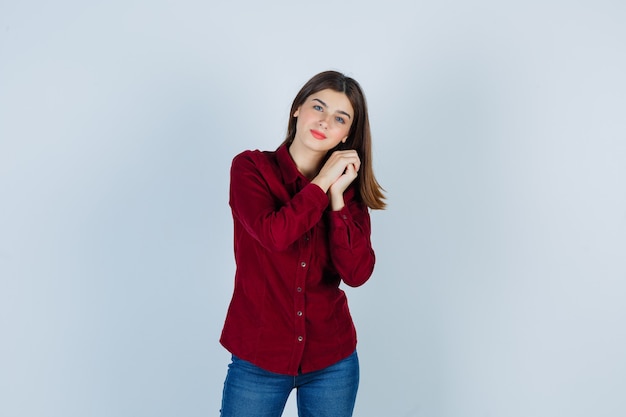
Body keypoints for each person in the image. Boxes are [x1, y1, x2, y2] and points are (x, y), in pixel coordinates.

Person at [219, 70, 386, 417]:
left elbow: (356, 273)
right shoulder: (251, 168)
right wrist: (323, 182)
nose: (324, 122)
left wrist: (337, 199)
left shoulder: (348, 192)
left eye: (339, 118)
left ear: (346, 135)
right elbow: (275, 234)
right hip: (258, 360)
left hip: (332, 362)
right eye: (318, 107)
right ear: (298, 108)